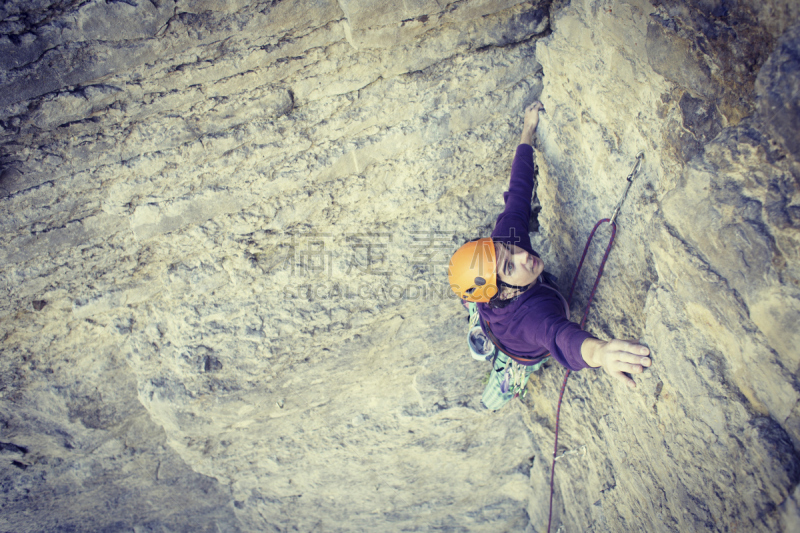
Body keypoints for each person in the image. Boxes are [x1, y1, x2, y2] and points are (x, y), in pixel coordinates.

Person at [448, 101, 652, 410]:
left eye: (509, 250)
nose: (522, 256)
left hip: (493, 304)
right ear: (504, 291)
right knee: (523, 356)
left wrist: (527, 130)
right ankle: (498, 365)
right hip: (518, 345)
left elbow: (518, 191)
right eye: (509, 266)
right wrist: (602, 353)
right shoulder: (529, 320)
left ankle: (476, 316)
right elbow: (559, 338)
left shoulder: (507, 243)